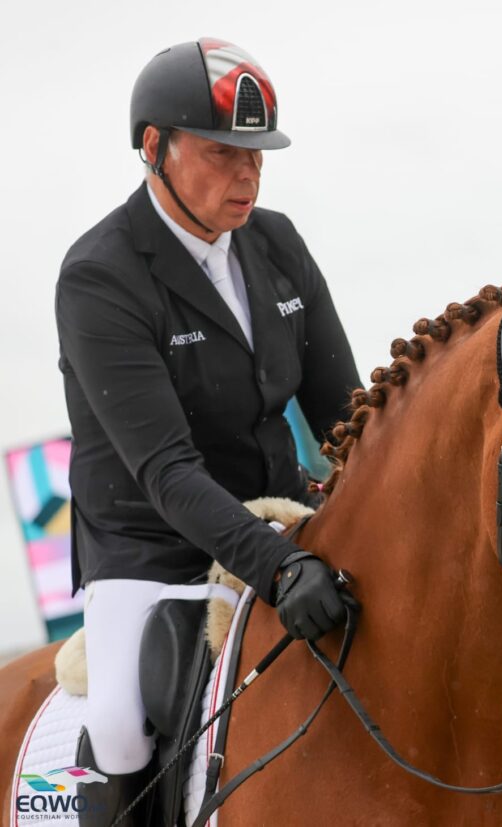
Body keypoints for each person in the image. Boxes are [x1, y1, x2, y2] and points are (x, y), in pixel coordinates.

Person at [56, 38, 360, 825]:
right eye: (224, 152)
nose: (248, 174)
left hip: (285, 521)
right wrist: (283, 569)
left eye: (257, 154)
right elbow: (166, 469)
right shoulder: (99, 276)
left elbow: (346, 415)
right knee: (123, 724)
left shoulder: (280, 244)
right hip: (150, 544)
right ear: (154, 148)